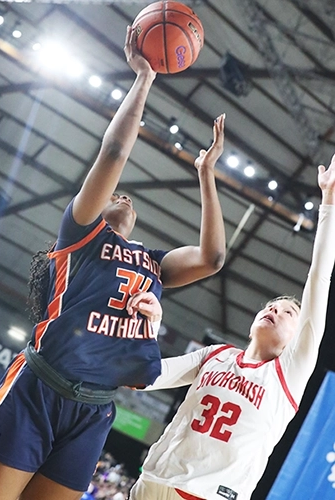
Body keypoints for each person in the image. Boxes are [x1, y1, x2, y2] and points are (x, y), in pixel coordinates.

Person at [0, 26, 226, 500]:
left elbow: (212, 258)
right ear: (94, 206)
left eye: (128, 197)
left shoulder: (152, 262)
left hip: (94, 410)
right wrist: (144, 78)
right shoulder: (80, 234)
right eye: (114, 194)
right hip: (41, 387)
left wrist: (206, 174)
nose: (123, 197)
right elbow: (115, 151)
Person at [127, 154, 335, 500]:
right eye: (271, 306)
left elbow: (319, 277)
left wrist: (328, 202)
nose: (274, 310)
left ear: (297, 339)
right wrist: (152, 325)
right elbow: (146, 375)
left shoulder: (288, 374)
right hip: (151, 483)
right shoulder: (216, 355)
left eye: (287, 313)